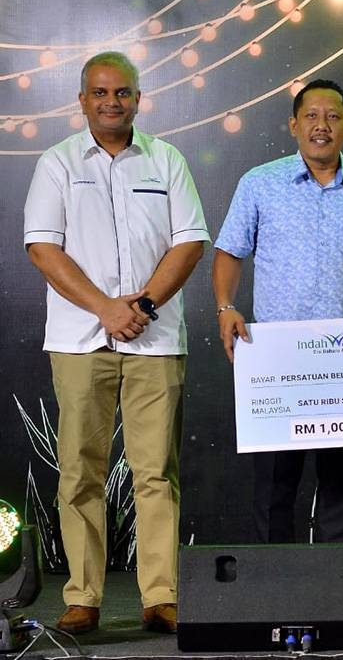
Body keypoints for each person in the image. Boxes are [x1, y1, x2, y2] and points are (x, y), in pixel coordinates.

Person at [23, 52, 209, 635]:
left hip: (155, 340)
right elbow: (43, 248)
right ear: (82, 100)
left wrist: (144, 306)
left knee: (157, 472)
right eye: (100, 93)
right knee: (80, 470)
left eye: (122, 93)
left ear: (137, 98)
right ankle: (83, 597)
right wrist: (106, 309)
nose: (112, 102)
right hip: (80, 341)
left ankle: (162, 597)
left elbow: (190, 242)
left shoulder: (167, 159)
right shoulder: (56, 163)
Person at [213, 80, 343, 557]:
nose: (322, 126)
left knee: (342, 483)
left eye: (334, 117)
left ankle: (333, 592)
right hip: (278, 357)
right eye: (312, 116)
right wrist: (225, 305)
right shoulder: (260, 182)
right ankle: (277, 591)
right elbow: (231, 250)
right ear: (294, 125)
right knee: (276, 483)